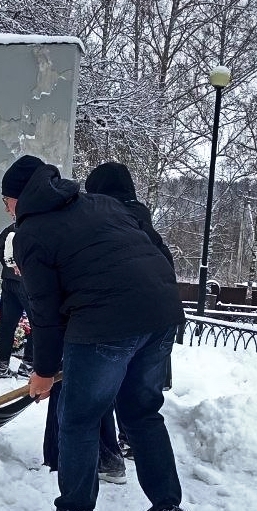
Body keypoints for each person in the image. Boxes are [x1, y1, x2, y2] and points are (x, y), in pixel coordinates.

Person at [1, 154, 191, 511]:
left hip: (105, 324)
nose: (7, 210)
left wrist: (44, 372)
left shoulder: (31, 233)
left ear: (19, 198)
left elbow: (44, 313)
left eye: (6, 201)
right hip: (160, 315)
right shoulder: (100, 204)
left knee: (80, 419)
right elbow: (150, 250)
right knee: (142, 416)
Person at [84, 161, 177, 458]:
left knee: (100, 392)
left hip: (116, 321)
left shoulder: (105, 224)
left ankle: (108, 455)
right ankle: (132, 441)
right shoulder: (146, 225)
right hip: (162, 319)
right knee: (142, 404)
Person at [0, 221, 34, 379]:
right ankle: (28, 365)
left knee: (6, 325)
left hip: (9, 281)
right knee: (37, 322)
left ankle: (1, 366)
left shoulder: (14, 226)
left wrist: (8, 266)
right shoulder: (36, 226)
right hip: (27, 282)